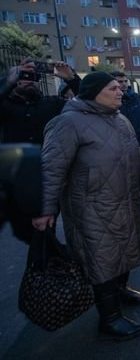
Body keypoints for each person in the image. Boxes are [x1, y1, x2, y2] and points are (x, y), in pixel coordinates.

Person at [33, 71, 140, 340]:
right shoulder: (67, 123)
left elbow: (135, 153)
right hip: (91, 207)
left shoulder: (120, 120)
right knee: (102, 260)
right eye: (113, 88)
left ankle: (119, 291)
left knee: (125, 250)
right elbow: (51, 170)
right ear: (94, 92)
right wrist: (45, 209)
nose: (121, 91)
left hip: (124, 200)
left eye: (121, 87)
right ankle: (109, 318)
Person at [0, 60, 80, 243]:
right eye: (23, 77)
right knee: (29, 234)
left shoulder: (52, 104)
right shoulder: (5, 107)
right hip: (17, 183)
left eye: (34, 77)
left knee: (45, 233)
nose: (29, 81)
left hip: (51, 180)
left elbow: (90, 102)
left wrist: (71, 79)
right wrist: (8, 79)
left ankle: (48, 266)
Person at [112, 71, 140, 204]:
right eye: (120, 82)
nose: (124, 84)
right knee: (128, 171)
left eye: (125, 81)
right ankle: (131, 195)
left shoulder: (136, 97)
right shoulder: (112, 100)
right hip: (121, 144)